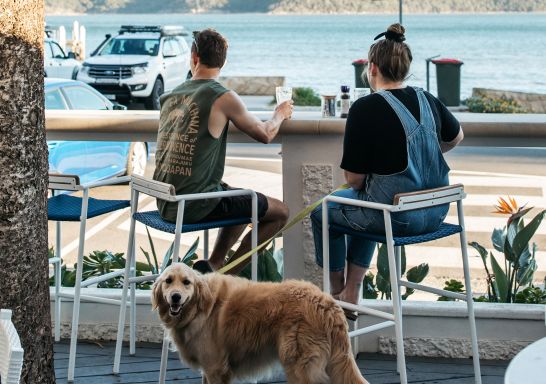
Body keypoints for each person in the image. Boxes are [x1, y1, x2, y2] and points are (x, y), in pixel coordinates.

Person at [311, 23, 464, 312]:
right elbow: (456, 137)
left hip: (399, 220)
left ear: (372, 68)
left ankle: (337, 291)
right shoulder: (428, 99)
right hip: (436, 213)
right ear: (405, 67)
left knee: (324, 212)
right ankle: (352, 292)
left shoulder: (365, 107)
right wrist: (424, 152)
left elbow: (354, 181)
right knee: (365, 207)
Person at [154, 29, 293, 274]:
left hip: (166, 202)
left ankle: (215, 264)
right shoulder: (223, 96)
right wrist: (280, 113)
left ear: (194, 57)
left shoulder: (170, 96)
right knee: (280, 213)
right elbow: (265, 134)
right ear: (224, 62)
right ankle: (227, 276)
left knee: (239, 197)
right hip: (194, 205)